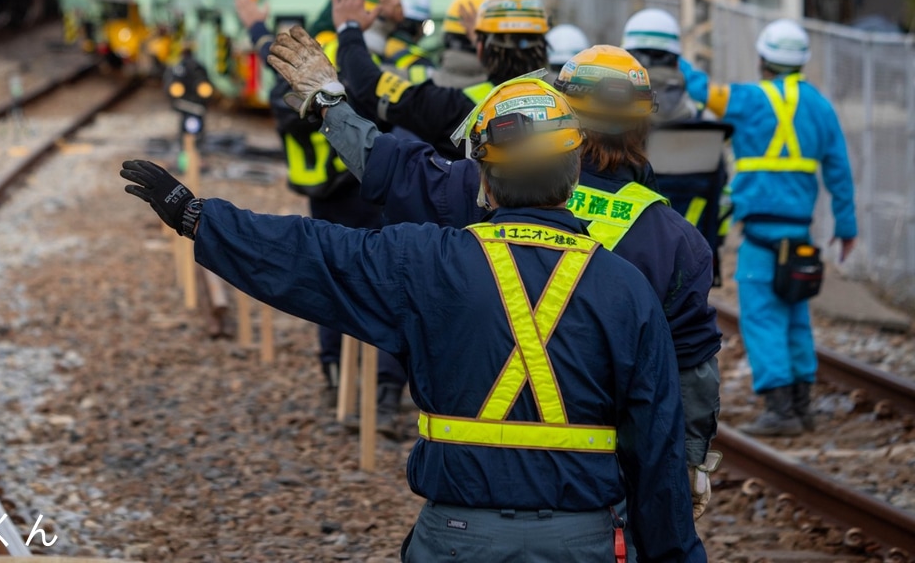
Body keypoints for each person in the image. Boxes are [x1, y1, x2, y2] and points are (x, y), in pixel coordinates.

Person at [121, 61, 706, 563]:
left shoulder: (427, 263)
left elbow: (313, 255)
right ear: (573, 171)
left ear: (486, 181)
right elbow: (658, 452)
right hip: (588, 539)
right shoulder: (628, 291)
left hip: (456, 536)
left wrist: (197, 217)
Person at [268, 31, 723, 519]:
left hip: (480, 471)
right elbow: (692, 366)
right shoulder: (673, 238)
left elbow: (393, 168)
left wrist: (329, 105)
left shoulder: (490, 187)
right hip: (600, 479)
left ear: (562, 111)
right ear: (643, 124)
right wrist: (692, 461)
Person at [232, 0, 406, 430]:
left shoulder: (291, 79)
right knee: (386, 285)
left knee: (329, 283)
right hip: (363, 192)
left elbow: (271, 58)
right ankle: (385, 396)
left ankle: (336, 382)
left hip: (320, 195)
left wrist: (255, 24)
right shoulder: (347, 72)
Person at [681, 19, 856, 436]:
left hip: (761, 236)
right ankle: (802, 404)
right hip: (799, 235)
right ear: (801, 63)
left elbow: (702, 91)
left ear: (763, 59)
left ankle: (780, 410)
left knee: (762, 317)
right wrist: (846, 225)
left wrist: (672, 58)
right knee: (795, 313)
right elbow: (839, 170)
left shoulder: (745, 99)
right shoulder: (820, 107)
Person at [331, 0, 550, 155]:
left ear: (481, 48)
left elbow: (369, 84)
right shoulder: (566, 100)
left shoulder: (453, 107)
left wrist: (349, 28)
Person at [623, 8, 733, 286]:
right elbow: (721, 195)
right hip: (691, 248)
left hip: (627, 254)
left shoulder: (615, 121)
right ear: (677, 59)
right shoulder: (703, 120)